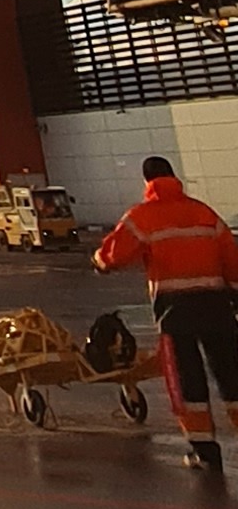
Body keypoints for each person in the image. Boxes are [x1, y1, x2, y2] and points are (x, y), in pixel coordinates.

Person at [94, 154, 238, 470]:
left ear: (147, 182)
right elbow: (232, 260)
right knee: (231, 373)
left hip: (175, 312)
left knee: (187, 380)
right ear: (175, 177)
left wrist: (100, 262)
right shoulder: (204, 213)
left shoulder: (142, 216)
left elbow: (114, 255)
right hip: (216, 306)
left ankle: (204, 450)